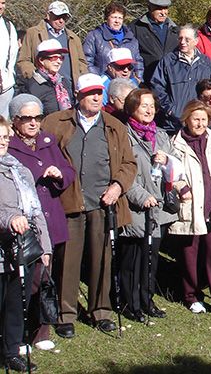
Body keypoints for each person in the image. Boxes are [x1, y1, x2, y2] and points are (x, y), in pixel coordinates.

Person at [43, 73, 137, 337]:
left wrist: (117, 186)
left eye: (99, 93)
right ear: (78, 96)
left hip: (103, 202)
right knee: (67, 261)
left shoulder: (114, 126)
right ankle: (65, 314)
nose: (96, 97)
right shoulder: (55, 122)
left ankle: (101, 311)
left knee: (102, 259)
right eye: (90, 93)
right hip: (68, 201)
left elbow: (129, 164)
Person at [7, 94, 75, 352]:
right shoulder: (9, 145)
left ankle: (41, 330)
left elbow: (68, 171)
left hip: (50, 217)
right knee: (25, 280)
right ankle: (19, 333)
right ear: (15, 120)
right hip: (24, 221)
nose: (34, 122)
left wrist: (59, 174)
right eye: (27, 118)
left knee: (45, 277)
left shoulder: (47, 141)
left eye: (38, 117)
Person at [168, 100, 211, 317]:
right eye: (196, 119)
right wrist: (181, 186)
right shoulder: (175, 144)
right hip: (190, 207)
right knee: (190, 254)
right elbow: (171, 173)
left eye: (204, 119)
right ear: (186, 119)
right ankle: (191, 296)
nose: (200, 124)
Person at [119, 88, 177, 322]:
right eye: (144, 105)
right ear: (132, 107)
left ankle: (147, 300)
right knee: (132, 259)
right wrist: (140, 196)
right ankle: (129, 304)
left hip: (158, 207)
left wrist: (168, 161)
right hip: (136, 206)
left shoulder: (161, 135)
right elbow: (121, 170)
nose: (149, 110)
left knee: (151, 258)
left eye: (152, 106)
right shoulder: (123, 135)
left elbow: (176, 166)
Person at [0, 117, 52, 372]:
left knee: (15, 302)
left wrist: (45, 246)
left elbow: (36, 211)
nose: (2, 142)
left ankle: (11, 351)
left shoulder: (19, 169)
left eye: (4, 137)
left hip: (23, 247)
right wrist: (9, 219)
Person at [150, 25, 211, 134]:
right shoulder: (168, 61)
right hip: (174, 124)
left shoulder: (206, 62)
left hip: (199, 123)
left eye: (187, 39)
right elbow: (157, 87)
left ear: (196, 41)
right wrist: (170, 110)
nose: (182, 42)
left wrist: (208, 109)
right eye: (180, 38)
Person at [17, 1, 88, 87]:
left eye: (64, 17)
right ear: (48, 15)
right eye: (57, 17)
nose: (61, 21)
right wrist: (35, 77)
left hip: (70, 88)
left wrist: (81, 82)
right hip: (43, 87)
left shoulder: (73, 38)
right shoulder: (33, 33)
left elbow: (82, 63)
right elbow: (23, 60)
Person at [83, 2, 144, 82]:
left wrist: (138, 79)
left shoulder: (131, 39)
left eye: (120, 18)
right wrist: (98, 80)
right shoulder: (94, 36)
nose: (117, 21)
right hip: (104, 82)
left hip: (128, 83)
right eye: (114, 17)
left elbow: (138, 62)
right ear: (107, 18)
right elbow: (87, 61)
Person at [131, 0, 178, 85]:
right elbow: (132, 54)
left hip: (171, 81)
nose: (163, 13)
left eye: (165, 8)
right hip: (146, 81)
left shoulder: (175, 29)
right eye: (159, 9)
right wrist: (137, 77)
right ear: (150, 8)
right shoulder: (136, 27)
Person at [16, 40, 73, 116]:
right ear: (41, 60)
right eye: (54, 58)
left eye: (61, 58)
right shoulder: (32, 86)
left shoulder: (63, 83)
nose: (59, 61)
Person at [0, 0, 18, 119]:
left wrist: (9, 76)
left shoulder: (8, 26)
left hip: (5, 87)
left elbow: (12, 56)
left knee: (3, 126)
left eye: (3, 3)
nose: (1, 6)